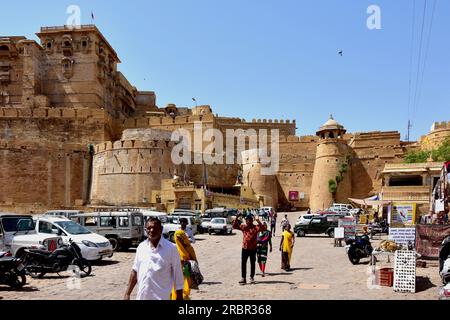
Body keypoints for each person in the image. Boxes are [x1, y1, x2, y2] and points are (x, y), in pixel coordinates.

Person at [124, 218, 184, 300]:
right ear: (145, 230)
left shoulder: (171, 248)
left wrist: (179, 297)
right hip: (142, 297)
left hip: (161, 297)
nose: (151, 230)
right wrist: (127, 294)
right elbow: (135, 271)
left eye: (155, 228)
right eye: (149, 228)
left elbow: (178, 275)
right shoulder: (141, 247)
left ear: (161, 229)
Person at [233, 213, 263, 285]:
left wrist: (258, 221)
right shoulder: (244, 227)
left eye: (249, 220)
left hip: (253, 249)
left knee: (252, 263)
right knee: (243, 263)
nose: (248, 221)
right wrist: (237, 217)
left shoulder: (255, 227)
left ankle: (252, 277)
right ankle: (243, 278)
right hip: (245, 248)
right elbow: (234, 226)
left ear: (252, 220)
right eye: (247, 220)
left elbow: (263, 228)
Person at [172, 218, 198, 300]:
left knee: (186, 276)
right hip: (179, 257)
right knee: (177, 277)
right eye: (182, 222)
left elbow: (193, 241)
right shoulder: (177, 232)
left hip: (186, 259)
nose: (183, 224)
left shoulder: (189, 231)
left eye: (185, 222)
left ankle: (185, 293)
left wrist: (187, 240)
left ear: (186, 223)